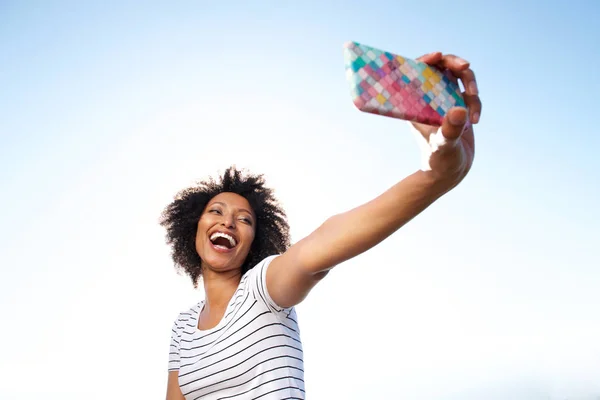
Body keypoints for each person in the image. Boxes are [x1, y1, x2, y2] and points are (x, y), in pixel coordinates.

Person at [162, 51, 482, 400]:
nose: (228, 221)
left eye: (244, 219)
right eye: (216, 212)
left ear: (254, 241)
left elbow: (322, 243)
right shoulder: (183, 327)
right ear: (193, 226)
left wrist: (436, 178)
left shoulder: (261, 290)